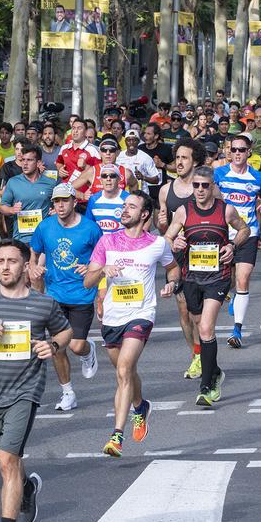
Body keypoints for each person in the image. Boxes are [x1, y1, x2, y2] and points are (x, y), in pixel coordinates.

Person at [0, 240, 72, 522]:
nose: (5, 267)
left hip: (26, 390)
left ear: (25, 266)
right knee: (6, 463)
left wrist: (53, 345)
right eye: (1, 261)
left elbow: (65, 331)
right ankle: (27, 489)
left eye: (12, 261)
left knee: (8, 460)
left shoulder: (43, 303)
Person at [83, 192, 178, 457]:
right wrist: (102, 271)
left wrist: (172, 283)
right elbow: (88, 282)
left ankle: (116, 436)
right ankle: (140, 406)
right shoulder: (107, 241)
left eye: (131, 207)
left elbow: (173, 268)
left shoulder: (158, 244)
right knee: (127, 371)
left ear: (144, 214)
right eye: (124, 206)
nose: (124, 210)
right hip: (113, 317)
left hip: (141, 314)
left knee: (124, 369)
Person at [164, 166, 250, 407]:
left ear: (213, 187)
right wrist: (175, 241)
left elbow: (245, 229)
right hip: (191, 278)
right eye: (196, 186)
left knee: (205, 328)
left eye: (205, 186)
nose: (200, 190)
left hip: (218, 277)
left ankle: (207, 386)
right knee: (197, 321)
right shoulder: (183, 211)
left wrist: (232, 246)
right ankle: (216, 371)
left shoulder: (226, 210)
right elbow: (167, 238)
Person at [28, 183, 102, 411]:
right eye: (56, 201)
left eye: (64, 201)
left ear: (73, 202)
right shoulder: (45, 226)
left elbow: (103, 257)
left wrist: (90, 268)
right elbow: (34, 252)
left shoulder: (90, 228)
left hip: (81, 294)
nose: (60, 205)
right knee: (57, 346)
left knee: (76, 347)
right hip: (54, 294)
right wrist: (32, 267)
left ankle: (88, 350)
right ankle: (68, 392)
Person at [214, 135, 261, 349]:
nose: (238, 153)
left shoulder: (258, 177)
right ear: (229, 151)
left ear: (249, 151)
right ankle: (233, 297)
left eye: (242, 149)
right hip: (222, 234)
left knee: (243, 278)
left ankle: (236, 331)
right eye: (234, 149)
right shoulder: (219, 174)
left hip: (248, 233)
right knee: (225, 278)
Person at [156, 138, 204, 377]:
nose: (180, 162)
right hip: (177, 255)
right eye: (177, 158)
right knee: (183, 309)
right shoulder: (166, 190)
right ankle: (197, 355)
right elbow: (161, 227)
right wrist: (163, 226)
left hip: (203, 255)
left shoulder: (205, 187)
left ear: (195, 160)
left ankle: (205, 351)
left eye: (184, 157)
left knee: (199, 311)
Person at [0, 144, 58, 243]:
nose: (25, 164)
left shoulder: (51, 183)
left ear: (38, 162)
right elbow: (2, 207)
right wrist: (12, 209)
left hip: (44, 237)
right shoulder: (13, 182)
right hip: (21, 238)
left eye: (29, 160)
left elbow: (59, 205)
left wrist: (56, 211)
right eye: (23, 160)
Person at [85, 165, 129, 232]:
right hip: (100, 242)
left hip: (122, 242)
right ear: (101, 180)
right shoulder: (93, 199)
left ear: (119, 179)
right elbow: (89, 226)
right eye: (104, 176)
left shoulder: (128, 198)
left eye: (112, 176)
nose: (108, 179)